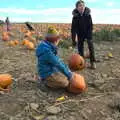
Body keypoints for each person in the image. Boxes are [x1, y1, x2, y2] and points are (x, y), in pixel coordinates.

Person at [71, 0, 96, 69]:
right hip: (80, 33)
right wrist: (73, 40)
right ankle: (82, 62)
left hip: (87, 32)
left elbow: (90, 26)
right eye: (80, 6)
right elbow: (73, 29)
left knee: (90, 45)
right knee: (80, 47)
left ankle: (92, 62)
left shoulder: (88, 15)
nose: (82, 7)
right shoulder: (75, 17)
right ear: (77, 8)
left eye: (83, 5)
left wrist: (89, 36)